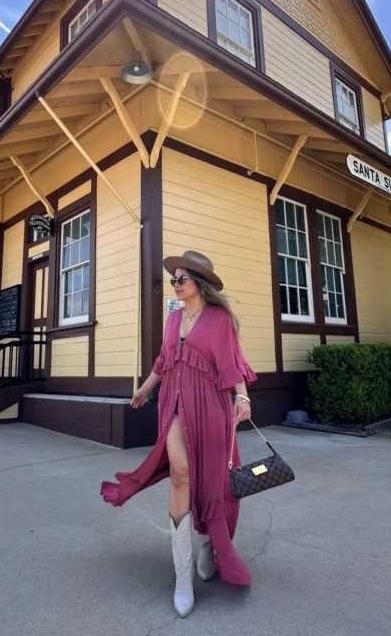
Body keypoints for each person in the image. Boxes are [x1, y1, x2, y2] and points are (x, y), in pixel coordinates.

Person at [101, 250, 257, 617]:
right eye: (174, 279)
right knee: (181, 474)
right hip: (173, 405)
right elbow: (163, 361)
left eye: (181, 278)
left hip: (211, 408)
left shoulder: (218, 319)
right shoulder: (172, 320)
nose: (175, 283)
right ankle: (182, 574)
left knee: (212, 482)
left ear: (197, 283)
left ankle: (208, 545)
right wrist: (145, 388)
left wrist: (242, 396)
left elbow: (232, 363)